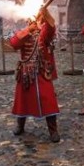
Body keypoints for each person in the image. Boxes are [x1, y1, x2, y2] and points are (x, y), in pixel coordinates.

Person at [9, 7, 60, 143]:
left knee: (48, 100)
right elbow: (14, 43)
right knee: (23, 101)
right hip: (26, 72)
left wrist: (46, 13)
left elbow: (51, 28)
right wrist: (29, 30)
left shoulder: (44, 31)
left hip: (42, 70)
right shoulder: (23, 32)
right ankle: (20, 125)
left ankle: (53, 130)